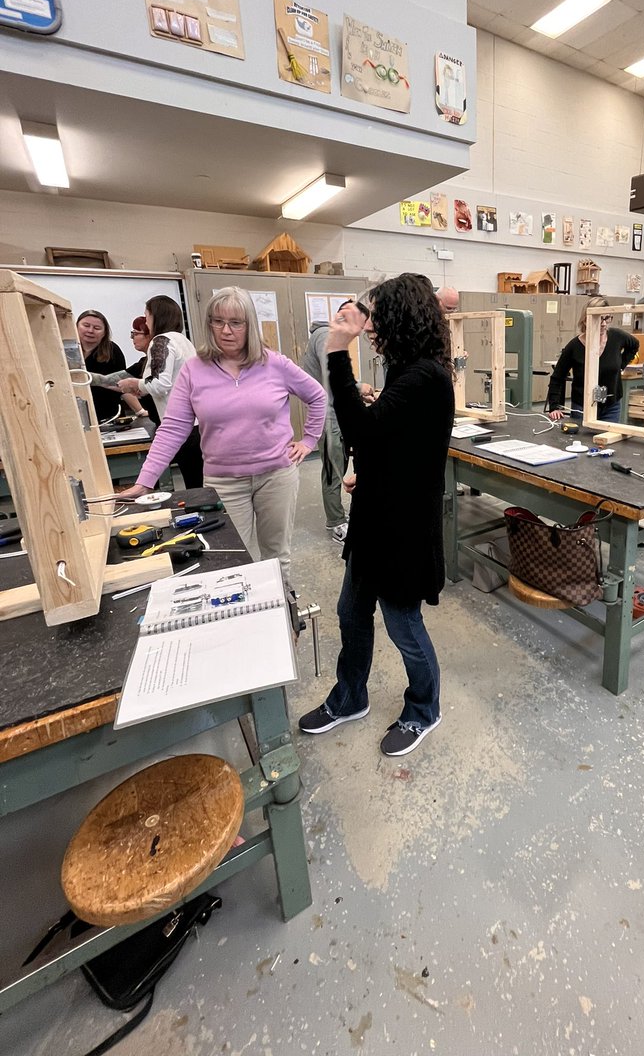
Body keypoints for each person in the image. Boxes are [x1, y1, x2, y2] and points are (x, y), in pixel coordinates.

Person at [298, 273, 454, 758]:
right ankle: (351, 697)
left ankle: (424, 708)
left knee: (403, 625)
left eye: (376, 317)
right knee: (350, 611)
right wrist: (366, 472)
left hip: (402, 528)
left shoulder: (424, 375)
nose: (369, 327)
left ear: (401, 318)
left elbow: (363, 432)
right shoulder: (407, 370)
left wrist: (337, 354)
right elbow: (391, 442)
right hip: (375, 518)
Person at [117, 286, 326, 581]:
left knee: (277, 555)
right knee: (232, 558)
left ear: (249, 326)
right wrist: (145, 481)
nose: (226, 330)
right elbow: (174, 427)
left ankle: (282, 612)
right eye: (218, 321)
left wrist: (308, 440)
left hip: (276, 477)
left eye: (236, 323)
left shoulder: (274, 363)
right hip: (224, 482)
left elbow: (317, 396)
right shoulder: (194, 370)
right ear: (209, 324)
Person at [299, 298, 374, 543]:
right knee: (334, 470)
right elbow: (331, 376)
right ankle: (337, 523)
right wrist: (359, 386)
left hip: (334, 412)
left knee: (339, 466)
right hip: (327, 415)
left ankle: (341, 518)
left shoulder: (327, 335)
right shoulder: (324, 336)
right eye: (361, 325)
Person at [115, 295, 204, 488]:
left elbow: (159, 383)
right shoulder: (184, 341)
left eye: (147, 317)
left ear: (156, 317)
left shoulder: (160, 341)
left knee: (194, 487)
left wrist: (134, 384)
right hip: (197, 425)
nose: (146, 322)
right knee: (198, 483)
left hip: (180, 427)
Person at [546, 297, 638, 424]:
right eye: (599, 318)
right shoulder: (574, 346)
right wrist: (554, 406)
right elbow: (558, 377)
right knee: (583, 441)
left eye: (607, 318)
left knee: (606, 441)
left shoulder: (617, 337)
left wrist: (620, 364)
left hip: (611, 406)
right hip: (582, 406)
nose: (604, 324)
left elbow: (634, 345)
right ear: (586, 319)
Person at [77, 310, 139, 423]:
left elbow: (123, 385)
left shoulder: (112, 351)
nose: (90, 331)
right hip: (75, 418)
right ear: (76, 327)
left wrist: (139, 411)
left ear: (105, 332)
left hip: (110, 417)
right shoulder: (65, 350)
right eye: (86, 325)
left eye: (97, 328)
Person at [125, 316, 160, 432]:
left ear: (149, 335)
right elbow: (116, 380)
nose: (132, 338)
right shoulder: (143, 363)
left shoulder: (159, 362)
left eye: (135, 334)